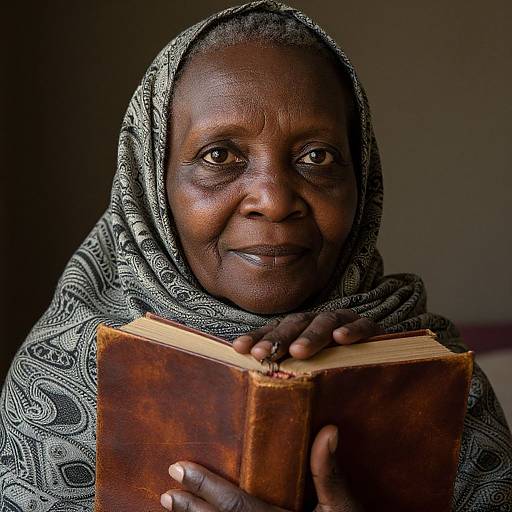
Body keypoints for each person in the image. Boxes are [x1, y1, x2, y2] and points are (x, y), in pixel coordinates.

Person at [0, 2, 510, 511]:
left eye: (318, 156)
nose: (274, 199)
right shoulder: (60, 379)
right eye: (218, 155)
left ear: (363, 179)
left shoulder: (435, 378)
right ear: (151, 184)